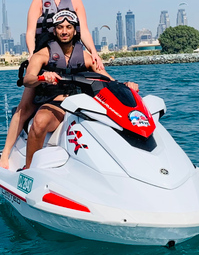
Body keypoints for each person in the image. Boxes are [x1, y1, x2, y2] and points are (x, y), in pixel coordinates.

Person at [0, 0, 103, 169]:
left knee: (96, 82)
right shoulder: (39, 0)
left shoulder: (76, 1)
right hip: (45, 55)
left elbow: (86, 31)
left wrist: (94, 53)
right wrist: (32, 56)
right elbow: (30, 31)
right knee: (25, 106)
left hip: (71, 53)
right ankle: (5, 154)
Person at [21, 10, 138, 170]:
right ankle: (28, 169)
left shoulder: (85, 56)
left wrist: (126, 86)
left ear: (75, 30)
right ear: (54, 30)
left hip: (83, 106)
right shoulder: (42, 55)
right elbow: (27, 80)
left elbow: (108, 80)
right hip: (56, 105)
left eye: (68, 27)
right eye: (60, 27)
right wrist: (42, 77)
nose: (64, 31)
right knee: (40, 122)